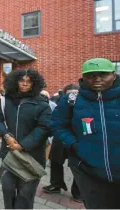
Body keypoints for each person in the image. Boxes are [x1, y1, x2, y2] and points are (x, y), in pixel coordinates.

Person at [50, 58, 120, 209]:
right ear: (82, 78)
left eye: (103, 74)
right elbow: (57, 125)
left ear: (114, 75)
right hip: (87, 170)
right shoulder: (71, 100)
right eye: (91, 75)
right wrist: (75, 145)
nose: (97, 79)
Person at [0, 69, 51, 209]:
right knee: (8, 191)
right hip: (9, 155)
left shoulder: (42, 104)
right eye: (21, 80)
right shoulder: (5, 101)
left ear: (34, 83)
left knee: (25, 197)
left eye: (28, 81)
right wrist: (6, 136)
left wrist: (23, 145)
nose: (24, 84)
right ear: (15, 81)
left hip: (32, 158)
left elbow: (44, 128)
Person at [43, 84, 82, 203]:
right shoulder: (58, 105)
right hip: (60, 137)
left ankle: (78, 193)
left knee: (78, 166)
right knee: (55, 161)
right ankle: (56, 185)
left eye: (75, 93)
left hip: (77, 139)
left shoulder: (84, 106)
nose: (71, 97)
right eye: (69, 93)